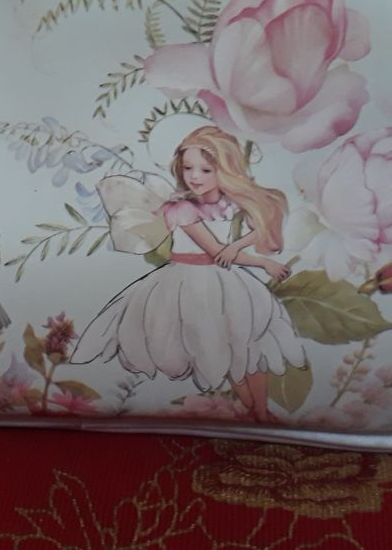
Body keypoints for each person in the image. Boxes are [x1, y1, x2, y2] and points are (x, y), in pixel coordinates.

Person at [69, 125, 307, 422]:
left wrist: (238, 245)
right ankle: (254, 412)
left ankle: (260, 411)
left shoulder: (229, 204)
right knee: (222, 348)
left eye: (205, 170)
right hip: (189, 283)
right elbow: (215, 250)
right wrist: (263, 263)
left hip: (224, 281)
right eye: (187, 168)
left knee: (249, 346)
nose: (194, 176)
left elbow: (259, 227)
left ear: (225, 170)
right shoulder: (183, 208)